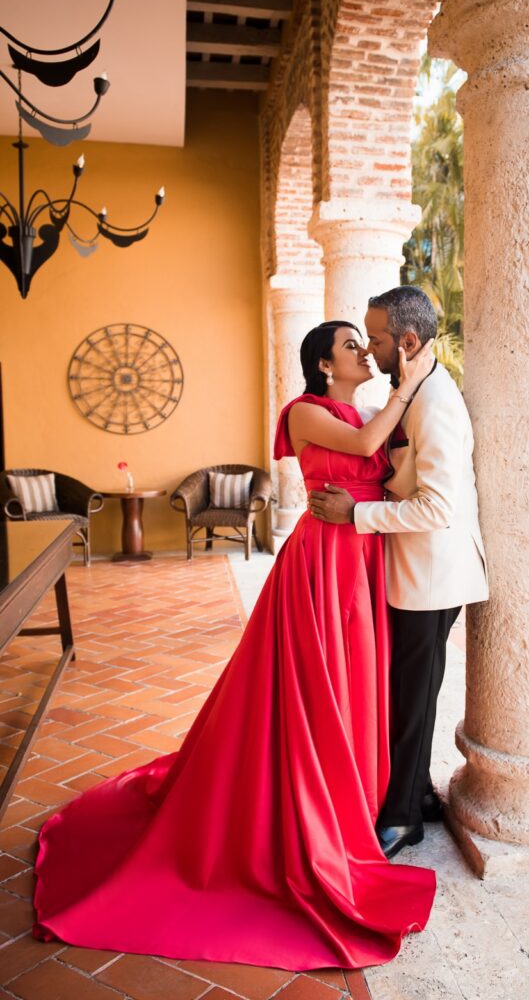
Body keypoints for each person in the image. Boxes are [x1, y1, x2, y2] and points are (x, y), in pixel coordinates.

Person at [32, 320, 437, 971]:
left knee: (355, 682)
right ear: (324, 364)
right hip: (325, 562)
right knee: (317, 686)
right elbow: (366, 442)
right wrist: (408, 382)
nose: (365, 352)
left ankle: (355, 800)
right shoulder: (305, 411)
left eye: (367, 344)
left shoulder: (355, 404)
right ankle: (314, 811)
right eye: (351, 346)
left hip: (362, 554)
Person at [309, 286, 489, 860]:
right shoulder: (409, 389)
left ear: (408, 341)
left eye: (378, 339)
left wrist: (356, 513)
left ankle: (405, 817)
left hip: (431, 574)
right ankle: (415, 792)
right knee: (408, 692)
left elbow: (437, 507)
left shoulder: (434, 401)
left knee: (413, 697)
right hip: (410, 567)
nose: (369, 348)